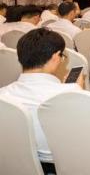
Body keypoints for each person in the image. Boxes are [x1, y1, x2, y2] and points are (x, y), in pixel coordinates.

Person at [0, 28, 83, 173]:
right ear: (56, 56)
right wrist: (78, 91)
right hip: (58, 167)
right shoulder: (70, 93)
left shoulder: (3, 94)